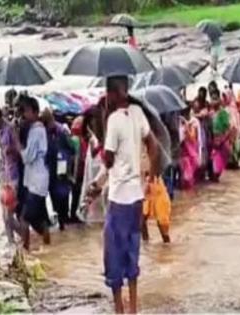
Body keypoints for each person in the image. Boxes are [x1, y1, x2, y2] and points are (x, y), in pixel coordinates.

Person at [89, 76, 158, 314]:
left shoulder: (114, 120)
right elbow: (153, 145)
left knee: (113, 255)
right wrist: (150, 178)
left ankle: (119, 309)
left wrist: (97, 182)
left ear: (113, 93)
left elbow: (108, 159)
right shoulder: (138, 112)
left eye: (109, 93)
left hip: (119, 199)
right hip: (137, 197)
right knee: (132, 249)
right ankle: (134, 308)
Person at [17, 96, 50, 250]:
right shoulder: (39, 129)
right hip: (39, 180)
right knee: (40, 220)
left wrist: (17, 141)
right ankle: (48, 247)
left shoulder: (36, 131)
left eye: (26, 111)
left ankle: (25, 252)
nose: (24, 114)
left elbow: (27, 158)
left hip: (36, 182)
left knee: (24, 219)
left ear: (35, 112)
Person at [0, 102, 22, 245]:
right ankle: (12, 243)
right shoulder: (0, 130)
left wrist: (11, 150)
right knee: (5, 215)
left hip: (13, 176)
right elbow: (1, 155)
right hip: (3, 175)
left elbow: (19, 150)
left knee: (9, 215)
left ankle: (24, 236)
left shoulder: (10, 129)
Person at [41, 108, 75, 231]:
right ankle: (60, 222)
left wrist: (68, 163)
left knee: (63, 195)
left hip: (62, 169)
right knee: (55, 197)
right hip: (51, 171)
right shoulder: (45, 133)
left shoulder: (61, 131)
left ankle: (63, 221)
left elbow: (72, 149)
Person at [70, 116, 88, 223]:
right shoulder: (77, 140)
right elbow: (77, 159)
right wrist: (75, 176)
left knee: (76, 195)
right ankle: (74, 215)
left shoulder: (78, 139)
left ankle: (74, 214)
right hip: (78, 174)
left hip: (79, 173)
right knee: (76, 195)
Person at [210, 90, 231, 179]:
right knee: (214, 170)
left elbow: (228, 129)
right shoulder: (211, 113)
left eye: (216, 99)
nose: (213, 101)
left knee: (217, 170)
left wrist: (221, 140)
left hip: (222, 143)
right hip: (214, 142)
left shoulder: (223, 113)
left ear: (219, 100)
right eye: (212, 99)